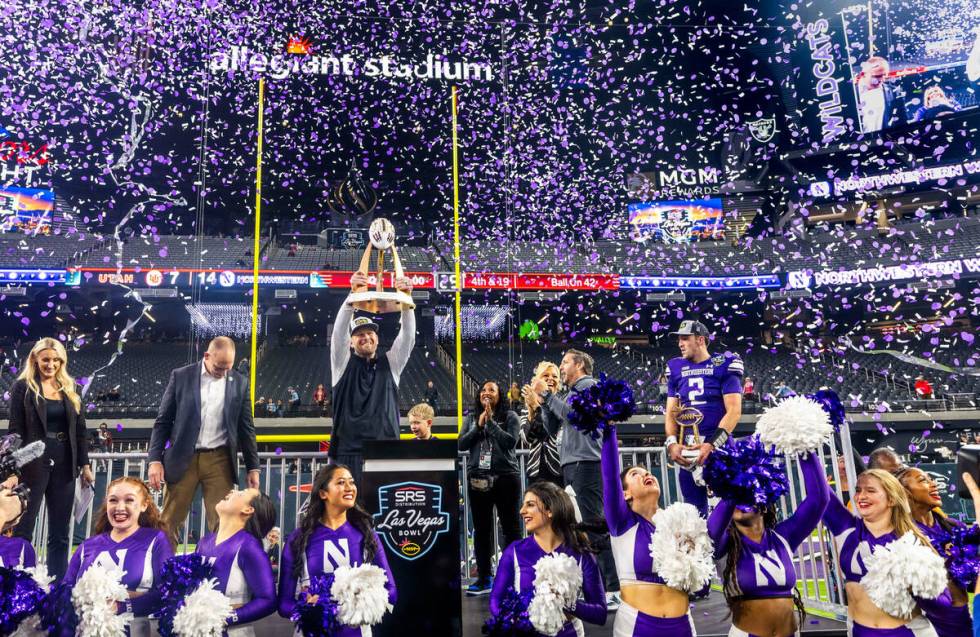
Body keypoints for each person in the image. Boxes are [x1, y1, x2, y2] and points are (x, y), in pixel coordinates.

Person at [148, 336, 260, 538]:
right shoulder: (181, 376)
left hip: (220, 460)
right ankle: (162, 568)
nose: (223, 373)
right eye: (219, 367)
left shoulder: (240, 383)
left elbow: (247, 428)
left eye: (228, 367)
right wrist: (155, 460)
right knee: (168, 523)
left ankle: (221, 569)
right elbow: (163, 421)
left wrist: (253, 467)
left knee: (224, 523)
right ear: (207, 356)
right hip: (182, 458)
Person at [708, 451, 830, 637]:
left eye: (749, 494)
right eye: (737, 497)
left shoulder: (784, 537)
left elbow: (819, 499)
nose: (742, 500)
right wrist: (737, 479)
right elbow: (713, 528)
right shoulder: (724, 544)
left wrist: (805, 447)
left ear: (764, 500)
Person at [535, 349, 620, 607]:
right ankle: (598, 585)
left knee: (594, 525)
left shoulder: (590, 386)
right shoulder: (569, 394)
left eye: (565, 362)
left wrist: (548, 395)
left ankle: (613, 588)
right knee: (581, 528)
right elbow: (551, 429)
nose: (561, 367)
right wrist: (544, 402)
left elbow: (574, 416)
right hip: (572, 464)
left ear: (580, 365)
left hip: (587, 463)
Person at [600, 420, 701, 636]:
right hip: (636, 627)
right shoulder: (622, 523)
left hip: (683, 626)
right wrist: (609, 428)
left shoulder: (678, 523)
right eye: (635, 474)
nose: (647, 474)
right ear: (625, 493)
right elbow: (609, 476)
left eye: (647, 472)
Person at [8, 337, 94, 579]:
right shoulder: (22, 387)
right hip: (32, 463)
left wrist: (85, 465)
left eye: (57, 360)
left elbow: (80, 430)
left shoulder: (72, 388)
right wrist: (12, 469)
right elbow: (15, 430)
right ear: (35, 359)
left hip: (66, 462)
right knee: (23, 527)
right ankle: (17, 581)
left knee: (60, 532)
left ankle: (59, 585)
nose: (51, 364)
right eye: (46, 359)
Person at [277, 464, 397, 637]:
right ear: (323, 493)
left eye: (352, 482)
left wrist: (353, 604)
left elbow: (391, 591)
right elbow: (284, 604)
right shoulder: (299, 538)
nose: (350, 488)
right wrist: (309, 609)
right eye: (341, 482)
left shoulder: (366, 535)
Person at [822, 469, 939, 637]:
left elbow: (942, 604)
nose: (861, 496)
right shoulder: (849, 530)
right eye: (858, 490)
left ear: (891, 499)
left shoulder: (912, 542)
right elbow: (819, 494)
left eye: (870, 491)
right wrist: (804, 447)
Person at [329, 271, 415, 484]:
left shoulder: (392, 364)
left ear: (377, 338)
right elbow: (338, 334)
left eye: (370, 333)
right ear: (351, 341)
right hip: (348, 453)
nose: (366, 337)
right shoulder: (341, 363)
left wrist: (406, 300)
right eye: (359, 334)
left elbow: (408, 337)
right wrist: (352, 297)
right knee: (347, 514)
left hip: (386, 450)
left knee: (384, 515)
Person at [489, 482, 607, 636]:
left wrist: (566, 604)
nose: (522, 511)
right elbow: (495, 602)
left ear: (550, 510)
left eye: (530, 505)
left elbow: (600, 614)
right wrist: (517, 622)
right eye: (523, 505)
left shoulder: (581, 553)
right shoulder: (515, 551)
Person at [65, 477, 174, 636]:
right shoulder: (87, 546)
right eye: (113, 500)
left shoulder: (156, 540)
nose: (120, 507)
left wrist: (120, 606)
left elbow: (166, 592)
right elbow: (66, 590)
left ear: (144, 505)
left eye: (129, 500)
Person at [664, 320, 743, 517]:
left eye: (685, 338)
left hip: (719, 449)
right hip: (688, 450)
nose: (680, 343)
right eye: (679, 339)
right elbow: (671, 411)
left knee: (728, 513)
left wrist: (712, 444)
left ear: (700, 340)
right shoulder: (675, 367)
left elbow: (734, 411)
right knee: (695, 515)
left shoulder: (724, 363)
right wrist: (672, 444)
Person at [896, 467, 979, 637]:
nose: (934, 484)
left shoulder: (954, 527)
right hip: (926, 627)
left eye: (931, 479)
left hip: (962, 620)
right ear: (904, 492)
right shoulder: (900, 536)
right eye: (923, 480)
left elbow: (972, 580)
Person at [459, 380, 521, 596]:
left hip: (506, 478)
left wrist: (491, 424)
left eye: (491, 390)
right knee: (482, 531)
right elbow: (462, 444)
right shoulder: (471, 418)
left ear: (499, 395)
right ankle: (484, 578)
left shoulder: (510, 416)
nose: (486, 393)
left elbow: (510, 442)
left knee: (511, 529)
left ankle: (514, 577)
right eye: (483, 390)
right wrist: (478, 426)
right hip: (478, 478)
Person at [195, 488, 277, 636]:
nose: (232, 491)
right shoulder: (203, 543)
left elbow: (268, 600)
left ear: (248, 509)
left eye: (240, 493)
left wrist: (226, 618)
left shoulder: (249, 546)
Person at [519, 361, 562, 486]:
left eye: (554, 376)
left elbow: (548, 431)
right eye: (546, 375)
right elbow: (527, 438)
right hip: (535, 470)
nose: (550, 379)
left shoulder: (561, 406)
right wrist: (532, 412)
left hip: (558, 469)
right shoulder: (526, 409)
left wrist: (536, 406)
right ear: (538, 380)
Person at [859, 56, 905, 132]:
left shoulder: (895, 92)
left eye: (884, 75)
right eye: (877, 76)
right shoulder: (851, 95)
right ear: (863, 74)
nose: (882, 80)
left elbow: (902, 122)